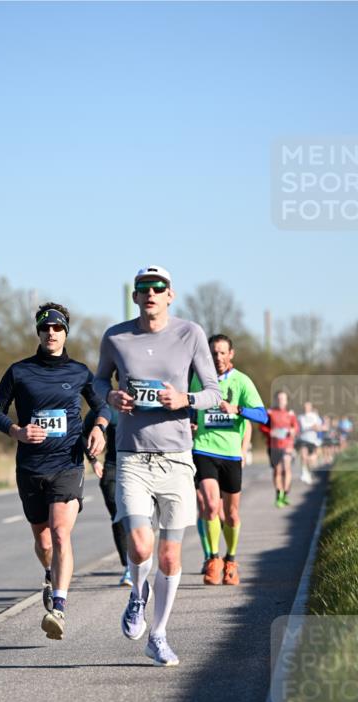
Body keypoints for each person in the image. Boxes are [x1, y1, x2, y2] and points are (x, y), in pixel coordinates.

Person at [94, 265, 220, 666]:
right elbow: (97, 383)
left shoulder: (190, 334)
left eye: (158, 287)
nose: (151, 293)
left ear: (171, 294)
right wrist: (111, 398)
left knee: (169, 556)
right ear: (134, 297)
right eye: (143, 288)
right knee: (140, 544)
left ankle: (159, 634)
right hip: (132, 455)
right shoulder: (116, 336)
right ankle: (136, 596)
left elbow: (214, 392)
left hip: (177, 458)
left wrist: (185, 400)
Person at [0, 302, 109, 639]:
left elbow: (102, 406)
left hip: (67, 464)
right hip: (30, 467)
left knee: (60, 532)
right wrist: (17, 431)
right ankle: (48, 572)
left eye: (57, 328)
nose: (51, 333)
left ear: (65, 331)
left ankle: (59, 607)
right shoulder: (19, 371)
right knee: (43, 541)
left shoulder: (79, 372)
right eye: (45, 328)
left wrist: (99, 427)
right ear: (38, 333)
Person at [190, 334, 268, 585]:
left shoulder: (242, 381)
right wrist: (189, 422)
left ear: (231, 354)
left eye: (223, 352)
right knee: (210, 506)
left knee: (231, 513)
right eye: (213, 353)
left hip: (231, 453)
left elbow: (263, 416)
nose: (218, 357)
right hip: (204, 449)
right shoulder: (198, 378)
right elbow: (188, 406)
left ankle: (231, 559)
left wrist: (238, 410)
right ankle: (213, 559)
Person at [82, 408, 132, 586]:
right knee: (118, 516)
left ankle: (139, 559)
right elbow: (82, 433)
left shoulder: (146, 401)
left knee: (137, 518)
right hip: (112, 467)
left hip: (139, 467)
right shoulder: (107, 407)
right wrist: (93, 460)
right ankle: (128, 567)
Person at [260, 390, 299, 507]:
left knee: (286, 469)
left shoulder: (291, 413)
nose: (281, 400)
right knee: (277, 470)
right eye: (279, 398)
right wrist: (269, 432)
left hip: (287, 445)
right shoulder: (270, 413)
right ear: (276, 400)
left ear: (286, 400)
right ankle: (279, 493)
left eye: (283, 398)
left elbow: (296, 427)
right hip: (274, 446)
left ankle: (285, 493)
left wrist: (293, 430)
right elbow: (262, 426)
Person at [296, 400, 323, 484]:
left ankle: (308, 472)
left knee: (311, 460)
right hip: (303, 439)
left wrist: (314, 428)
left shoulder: (315, 416)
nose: (306, 408)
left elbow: (319, 427)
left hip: (313, 440)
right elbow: (301, 428)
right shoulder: (300, 417)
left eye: (308, 406)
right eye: (304, 406)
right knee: (303, 456)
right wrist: (312, 427)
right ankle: (304, 473)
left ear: (311, 407)